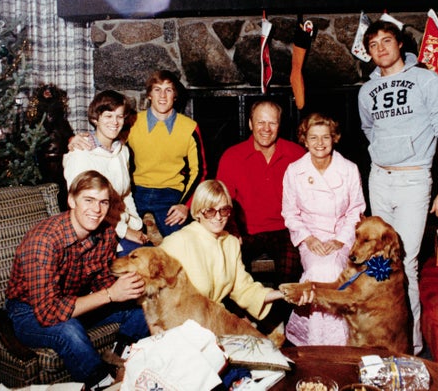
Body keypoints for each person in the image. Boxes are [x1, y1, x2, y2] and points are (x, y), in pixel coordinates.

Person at [357, 20, 438, 355]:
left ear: (400, 44)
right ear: (368, 52)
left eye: (387, 40)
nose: (381, 48)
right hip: (379, 179)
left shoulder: (427, 81)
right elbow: (372, 133)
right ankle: (381, 335)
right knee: (378, 262)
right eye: (374, 44)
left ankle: (409, 347)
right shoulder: (365, 91)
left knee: (406, 262)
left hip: (414, 180)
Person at [5, 170, 149, 389]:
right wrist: (110, 294)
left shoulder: (105, 233)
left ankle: (122, 359)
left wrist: (126, 286)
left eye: (103, 202)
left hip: (73, 300)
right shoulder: (44, 241)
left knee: (141, 307)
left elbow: (102, 281)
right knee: (69, 330)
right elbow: (48, 312)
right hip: (29, 312)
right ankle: (102, 383)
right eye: (88, 200)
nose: (97, 210)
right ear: (71, 200)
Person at [70, 71, 206, 239]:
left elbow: (200, 171)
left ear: (175, 96)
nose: (162, 96)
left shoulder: (190, 127)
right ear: (149, 94)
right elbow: (105, 134)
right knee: (119, 238)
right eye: (157, 89)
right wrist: (75, 139)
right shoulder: (132, 122)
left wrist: (185, 205)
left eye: (168, 90)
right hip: (136, 191)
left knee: (181, 242)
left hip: (170, 193)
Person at [282, 113, 366, 346]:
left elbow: (356, 210)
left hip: (341, 237)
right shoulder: (294, 170)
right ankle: (316, 340)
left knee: (333, 269)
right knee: (320, 269)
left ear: (334, 138)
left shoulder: (349, 169)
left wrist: (340, 240)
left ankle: (340, 340)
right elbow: (290, 213)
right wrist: (308, 239)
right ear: (305, 140)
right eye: (313, 138)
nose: (320, 143)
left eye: (325, 137)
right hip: (311, 238)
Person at [159, 179, 295, 322]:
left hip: (214, 320)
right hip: (182, 322)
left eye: (223, 210)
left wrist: (284, 294)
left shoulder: (231, 243)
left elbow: (244, 290)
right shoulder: (179, 241)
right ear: (198, 212)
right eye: (210, 211)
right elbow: (149, 276)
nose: (218, 217)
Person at [216, 99, 305, 286]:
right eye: (260, 122)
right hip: (247, 231)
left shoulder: (297, 154)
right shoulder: (232, 156)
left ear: (279, 125)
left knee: (292, 277)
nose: (266, 128)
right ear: (250, 124)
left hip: (286, 230)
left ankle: (284, 315)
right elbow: (221, 202)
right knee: (229, 276)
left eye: (272, 123)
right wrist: (232, 231)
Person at [63, 90, 147, 256]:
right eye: (108, 116)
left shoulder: (122, 150)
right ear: (96, 119)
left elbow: (126, 193)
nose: (115, 122)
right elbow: (86, 208)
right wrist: (125, 232)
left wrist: (137, 226)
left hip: (121, 226)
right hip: (96, 231)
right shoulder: (80, 154)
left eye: (120, 116)